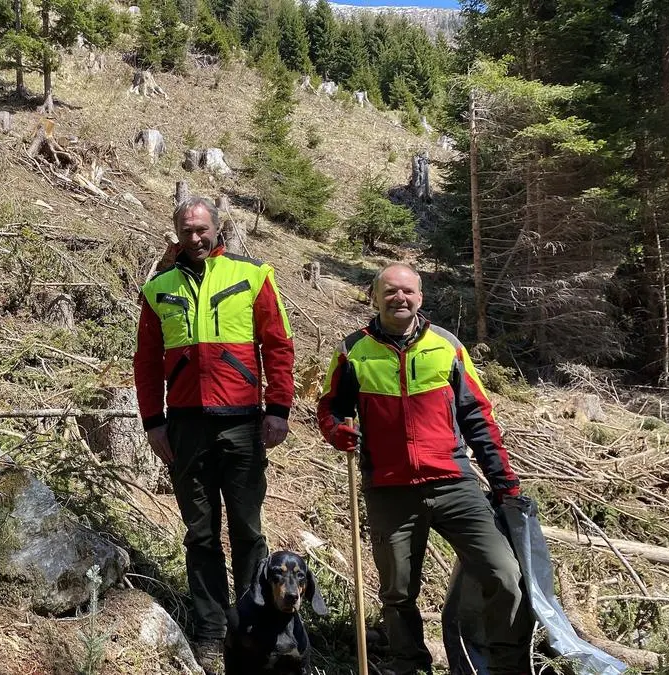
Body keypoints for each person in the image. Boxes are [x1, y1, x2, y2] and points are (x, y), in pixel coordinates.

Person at [317, 263, 530, 675]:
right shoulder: (352, 350)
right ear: (375, 297)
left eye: (408, 291)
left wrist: (505, 483)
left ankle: (509, 667)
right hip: (389, 488)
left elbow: (479, 419)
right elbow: (331, 407)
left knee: (505, 575)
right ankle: (409, 667)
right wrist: (336, 430)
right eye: (391, 291)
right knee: (397, 594)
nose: (400, 298)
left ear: (421, 297)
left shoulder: (447, 347)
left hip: (454, 482)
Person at [133, 197, 295, 674]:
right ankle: (209, 632)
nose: (195, 238)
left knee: (247, 529)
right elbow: (146, 363)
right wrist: (153, 421)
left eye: (202, 229)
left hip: (243, 423)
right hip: (184, 426)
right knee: (200, 534)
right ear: (176, 234)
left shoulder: (254, 274)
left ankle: (253, 625)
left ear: (217, 229)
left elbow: (278, 345)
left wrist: (279, 408)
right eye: (187, 231)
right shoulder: (158, 287)